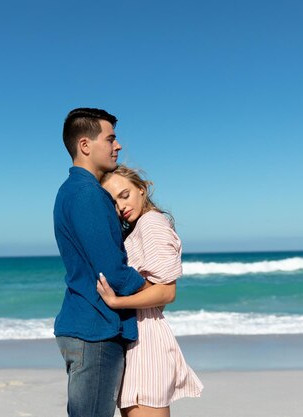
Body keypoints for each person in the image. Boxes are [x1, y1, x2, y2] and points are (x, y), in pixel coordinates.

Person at [53, 108, 150, 417]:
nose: (117, 146)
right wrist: (152, 287)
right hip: (94, 329)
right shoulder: (87, 194)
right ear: (85, 145)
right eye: (110, 139)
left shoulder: (72, 191)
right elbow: (113, 271)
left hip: (85, 326)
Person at [97, 165, 203, 417]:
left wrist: (116, 302)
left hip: (147, 341)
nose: (121, 206)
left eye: (125, 195)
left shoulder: (151, 222)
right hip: (139, 337)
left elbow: (167, 292)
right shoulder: (139, 227)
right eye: (113, 202)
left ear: (142, 190)